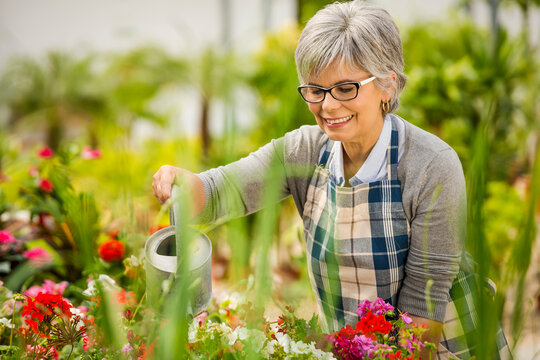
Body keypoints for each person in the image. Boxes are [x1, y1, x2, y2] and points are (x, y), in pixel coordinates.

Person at [153, 1, 509, 358]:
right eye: (315, 90)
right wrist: (182, 185)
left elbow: (421, 323)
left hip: (446, 344)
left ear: (387, 84)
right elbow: (219, 193)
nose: (328, 106)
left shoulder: (429, 165)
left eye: (345, 88)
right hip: (358, 349)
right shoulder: (304, 152)